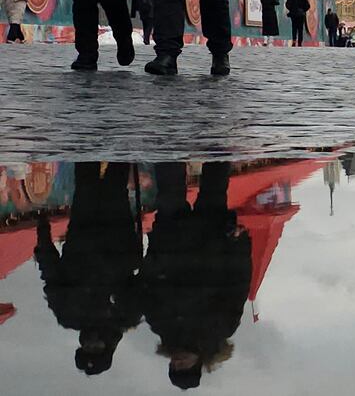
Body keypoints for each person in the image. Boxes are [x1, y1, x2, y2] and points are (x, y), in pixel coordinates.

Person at [140, 162, 251, 391]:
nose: (178, 363)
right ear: (198, 364)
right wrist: (239, 244)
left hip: (171, 238)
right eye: (185, 367)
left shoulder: (160, 325)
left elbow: (147, 283)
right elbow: (238, 283)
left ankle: (170, 137)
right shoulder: (221, 329)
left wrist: (155, 250)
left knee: (169, 182)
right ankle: (218, 134)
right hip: (213, 240)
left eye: (175, 367)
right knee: (215, 183)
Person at [34, 162, 143, 377]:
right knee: (115, 181)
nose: (91, 344)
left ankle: (89, 133)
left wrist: (43, 234)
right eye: (96, 349)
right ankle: (120, 133)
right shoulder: (125, 317)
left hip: (82, 233)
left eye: (87, 349)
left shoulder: (68, 315)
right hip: (119, 236)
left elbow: (51, 273)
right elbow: (144, 280)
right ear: (108, 349)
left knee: (85, 179)